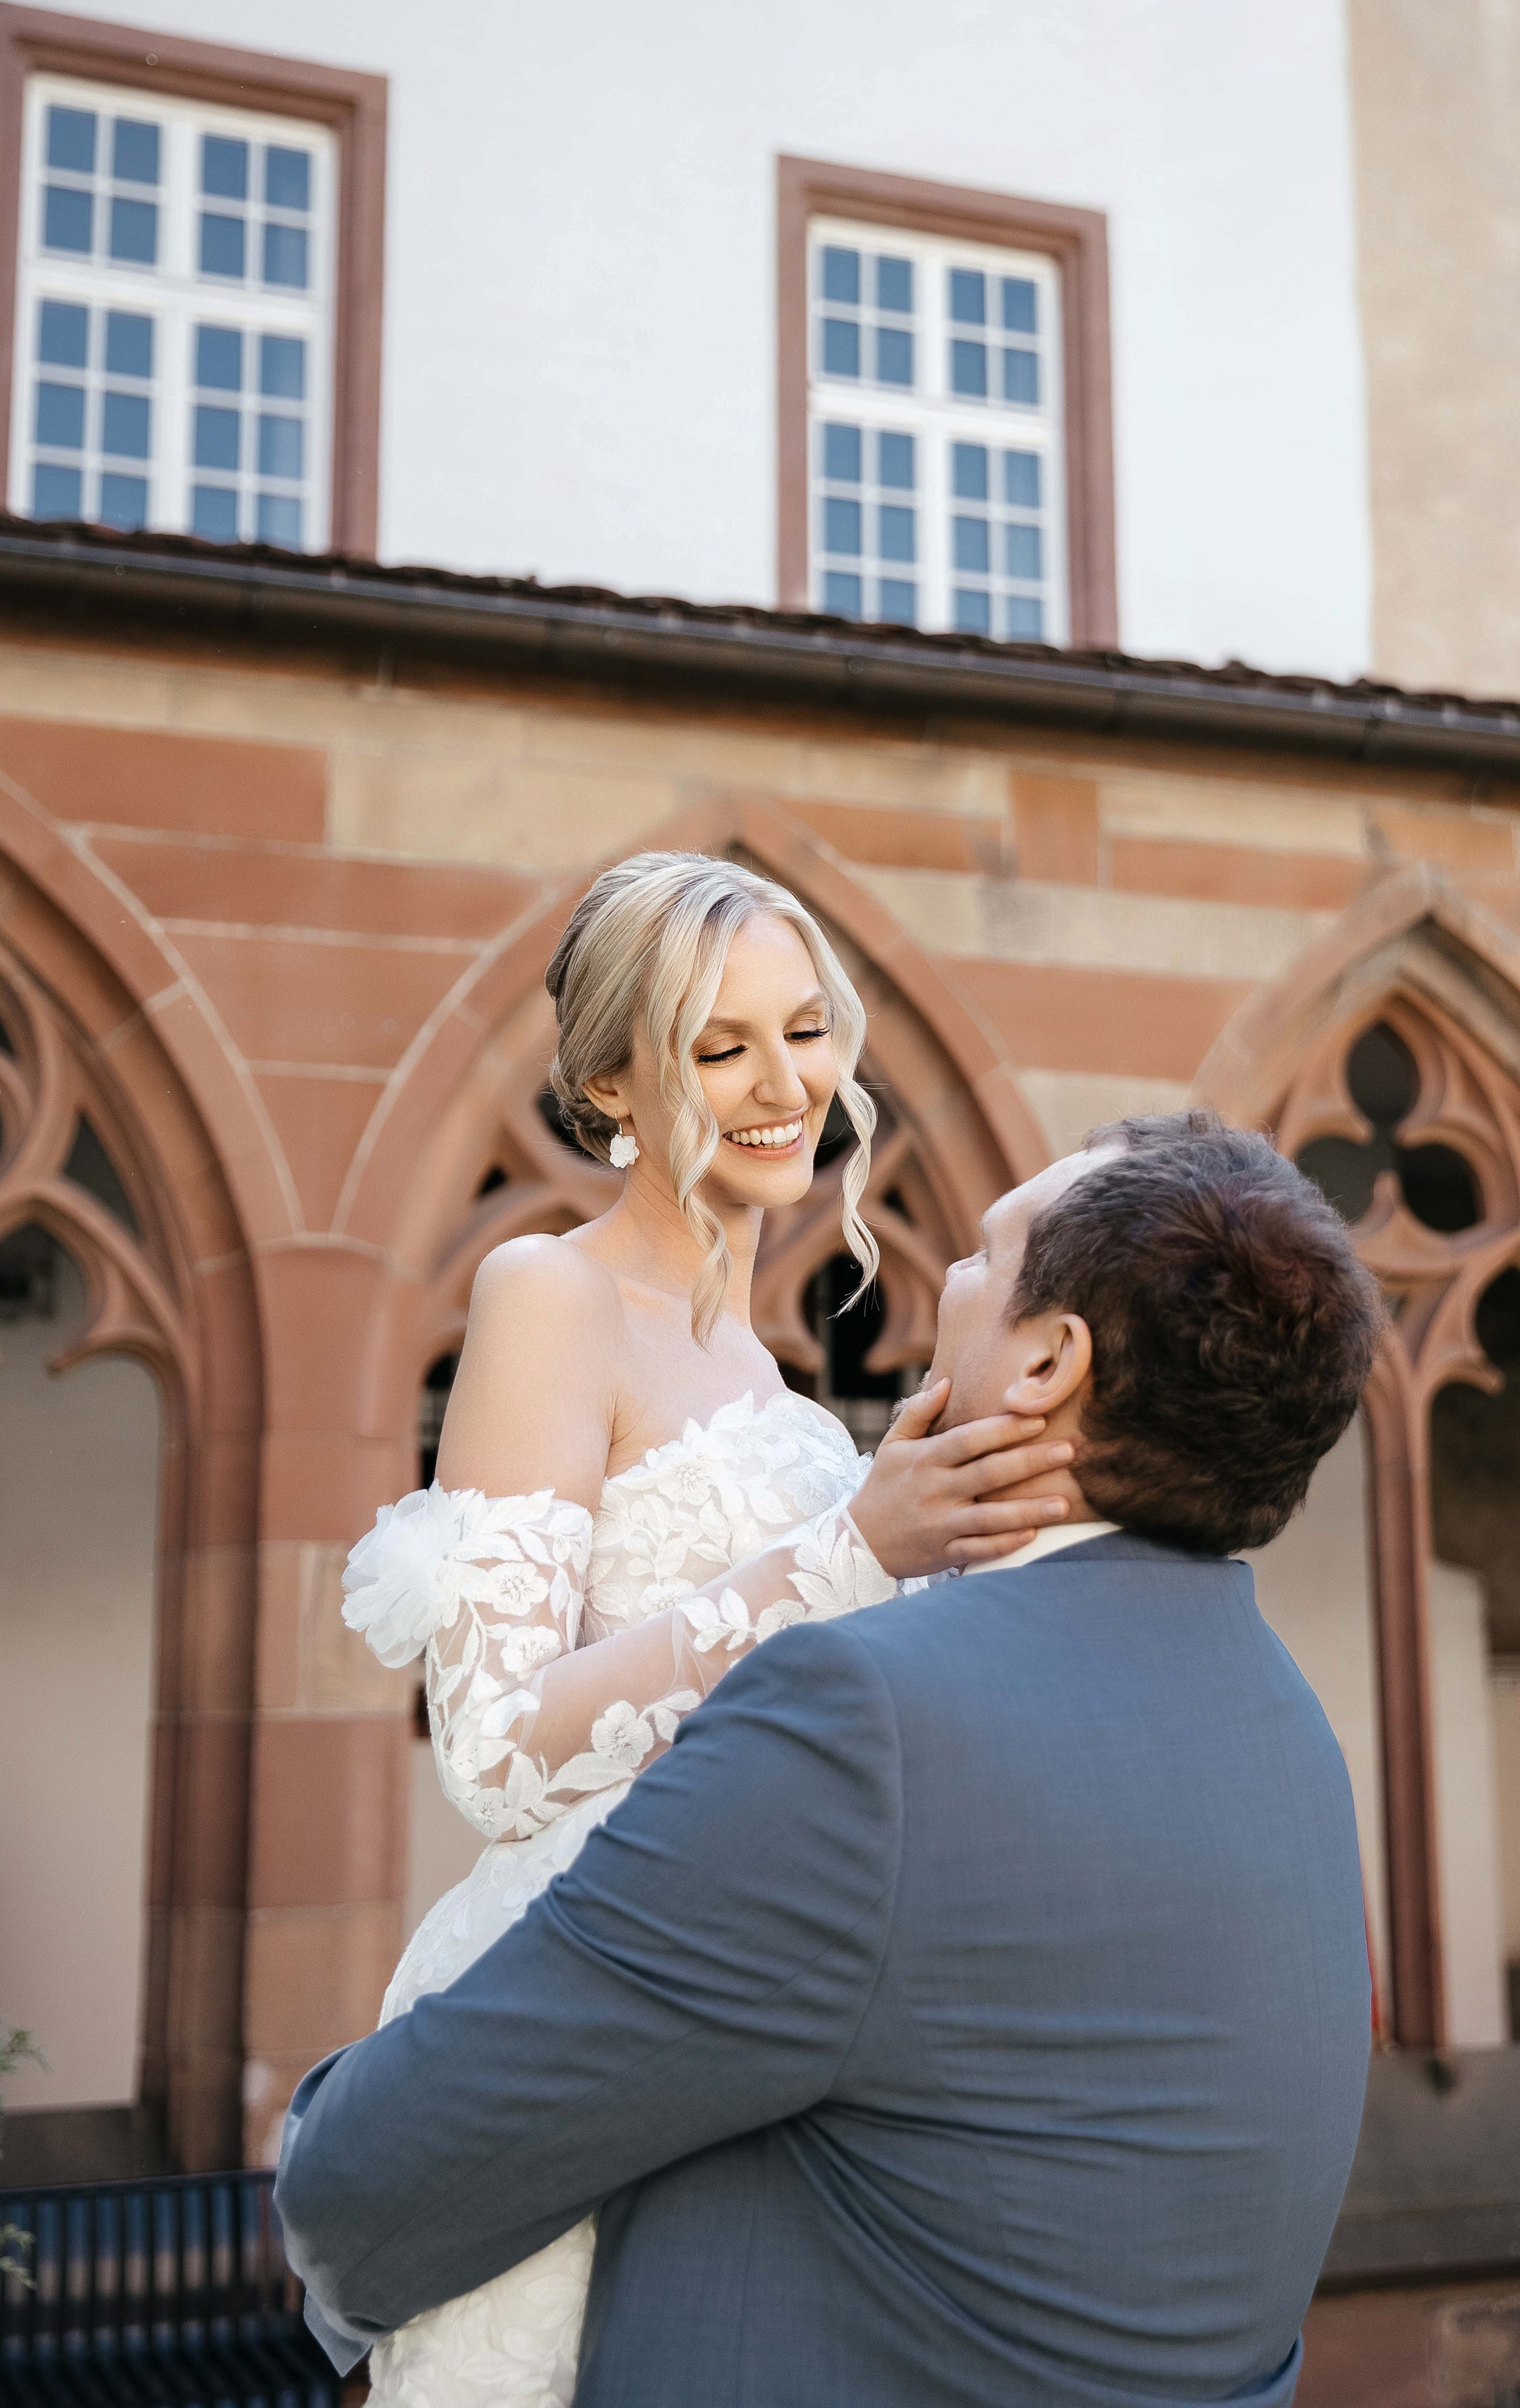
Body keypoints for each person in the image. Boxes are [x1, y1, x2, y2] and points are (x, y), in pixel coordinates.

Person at [281, 1106, 1385, 2408]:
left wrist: (319, 2131)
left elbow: (375, 2177)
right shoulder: (1293, 1732)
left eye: (980, 1256)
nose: (949, 1280)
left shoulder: (867, 1722)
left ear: (1049, 1363)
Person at [330, 849, 1076, 2407]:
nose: (784, 1085)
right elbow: (492, 1754)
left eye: (802, 1032)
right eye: (719, 1046)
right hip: (584, 2003)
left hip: (754, 2021)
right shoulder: (548, 1293)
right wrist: (849, 1550)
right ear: (609, 1084)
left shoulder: (766, 1379)